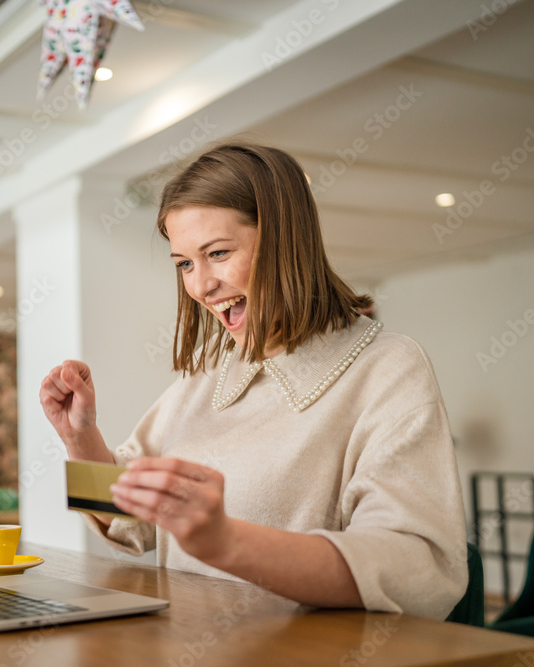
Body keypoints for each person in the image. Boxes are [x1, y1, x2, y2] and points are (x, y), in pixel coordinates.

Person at [39, 143, 468, 620]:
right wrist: (80, 436)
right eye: (184, 263)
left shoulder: (387, 367)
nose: (200, 286)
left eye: (218, 253)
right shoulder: (209, 368)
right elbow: (134, 523)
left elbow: (419, 571)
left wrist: (227, 542)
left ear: (287, 240)